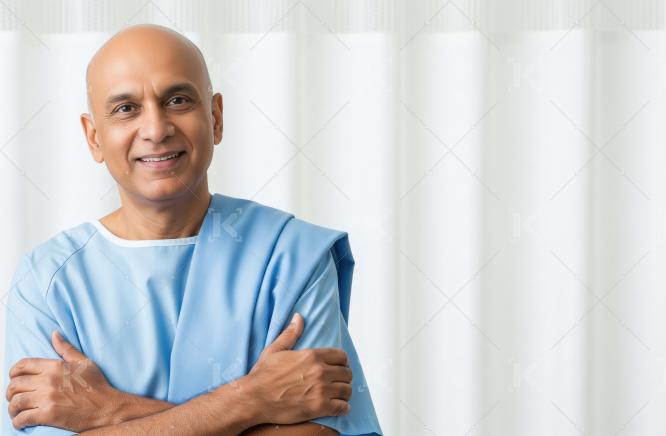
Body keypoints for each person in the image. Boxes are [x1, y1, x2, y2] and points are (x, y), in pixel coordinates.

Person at [2, 24, 381, 435]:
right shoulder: (48, 282)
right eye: (126, 108)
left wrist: (112, 412)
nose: (156, 129)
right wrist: (252, 399)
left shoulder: (292, 257)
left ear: (215, 117)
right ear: (94, 137)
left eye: (178, 100)